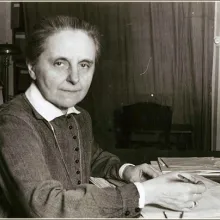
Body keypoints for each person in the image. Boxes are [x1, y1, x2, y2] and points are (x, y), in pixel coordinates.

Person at [0, 15, 206, 218]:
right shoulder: (13, 123)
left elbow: (91, 156)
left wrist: (125, 171)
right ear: (32, 67)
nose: (75, 78)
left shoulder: (79, 116)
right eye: (60, 63)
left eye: (84, 65)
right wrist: (145, 193)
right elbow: (48, 207)